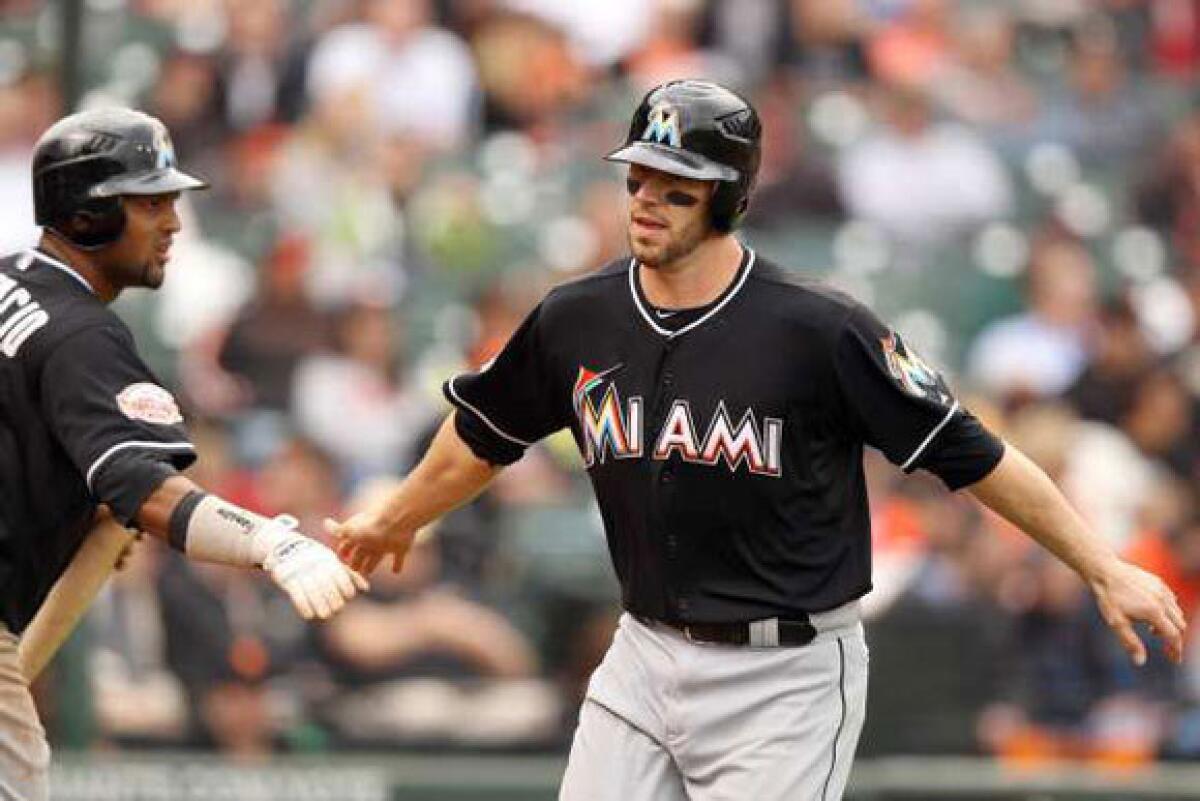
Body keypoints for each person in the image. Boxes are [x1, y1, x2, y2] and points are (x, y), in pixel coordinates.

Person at [329, 80, 1186, 801]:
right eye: (638, 179)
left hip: (786, 675)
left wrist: (1101, 566)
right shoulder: (576, 317)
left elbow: (972, 452)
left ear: (730, 198)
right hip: (645, 650)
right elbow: (482, 434)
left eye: (676, 186)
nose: (646, 202)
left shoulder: (820, 328)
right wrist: (398, 516)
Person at [0, 107, 366, 800]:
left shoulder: (11, 275)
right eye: (150, 202)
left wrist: (96, 514)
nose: (171, 223)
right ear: (87, 214)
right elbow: (145, 488)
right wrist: (272, 544)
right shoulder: (81, 335)